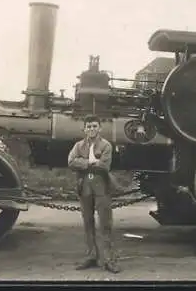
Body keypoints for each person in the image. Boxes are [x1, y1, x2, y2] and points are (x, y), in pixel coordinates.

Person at [67, 114, 122, 274]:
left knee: (105, 225)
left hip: (102, 189)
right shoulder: (78, 145)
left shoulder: (106, 145)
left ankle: (109, 260)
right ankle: (91, 256)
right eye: (89, 126)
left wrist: (82, 163)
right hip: (84, 188)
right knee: (88, 223)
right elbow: (70, 162)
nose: (91, 129)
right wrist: (91, 162)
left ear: (100, 128)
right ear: (84, 129)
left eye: (94, 126)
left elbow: (104, 166)